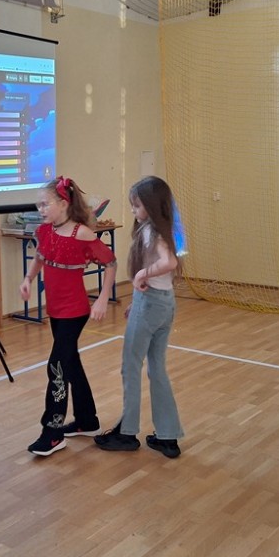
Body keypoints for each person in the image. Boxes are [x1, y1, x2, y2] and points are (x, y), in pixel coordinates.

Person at [19, 176, 117, 456]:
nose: (40, 209)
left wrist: (102, 298)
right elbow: (40, 257)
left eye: (45, 204)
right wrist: (28, 279)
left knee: (57, 367)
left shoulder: (81, 234)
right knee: (70, 364)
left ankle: (52, 433)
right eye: (38, 204)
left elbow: (110, 262)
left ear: (63, 203)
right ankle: (88, 421)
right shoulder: (45, 231)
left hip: (75, 311)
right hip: (56, 310)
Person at [95, 176, 184, 457]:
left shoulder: (150, 231)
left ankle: (127, 432)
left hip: (151, 305)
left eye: (137, 205)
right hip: (164, 303)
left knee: (130, 367)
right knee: (157, 368)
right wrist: (137, 300)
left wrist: (141, 275)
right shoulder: (165, 229)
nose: (133, 210)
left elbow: (168, 262)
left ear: (151, 205)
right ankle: (168, 436)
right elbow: (164, 271)